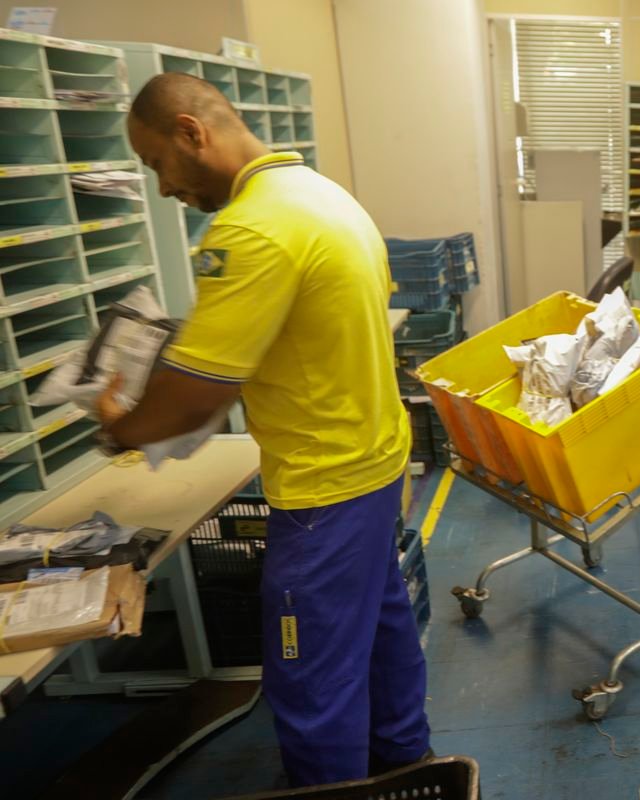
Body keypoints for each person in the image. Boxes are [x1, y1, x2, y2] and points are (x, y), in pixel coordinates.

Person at [98, 73, 430, 787]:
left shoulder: (250, 228)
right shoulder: (324, 197)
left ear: (191, 132)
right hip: (374, 464)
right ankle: (408, 764)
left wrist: (121, 429)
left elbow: (195, 398)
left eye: (156, 163)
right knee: (379, 631)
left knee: (311, 678)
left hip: (322, 492)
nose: (163, 187)